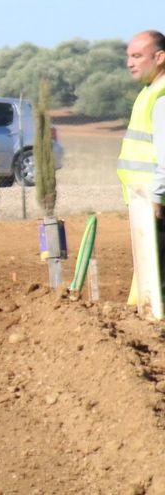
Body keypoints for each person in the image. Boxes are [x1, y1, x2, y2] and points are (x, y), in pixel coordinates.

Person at [119, 30, 165, 318]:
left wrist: (156, 197)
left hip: (156, 207)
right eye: (128, 56)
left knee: (157, 286)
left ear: (160, 57)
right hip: (146, 204)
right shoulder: (149, 93)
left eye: (137, 56)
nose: (129, 63)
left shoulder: (161, 99)